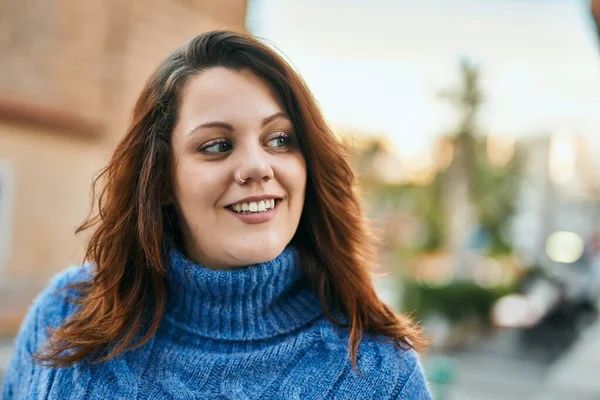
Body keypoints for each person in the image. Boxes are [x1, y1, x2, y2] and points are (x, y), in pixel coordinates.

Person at [2, 30, 432, 399]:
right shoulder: (65, 316)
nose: (257, 167)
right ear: (163, 180)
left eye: (280, 139)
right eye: (217, 146)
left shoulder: (379, 372)